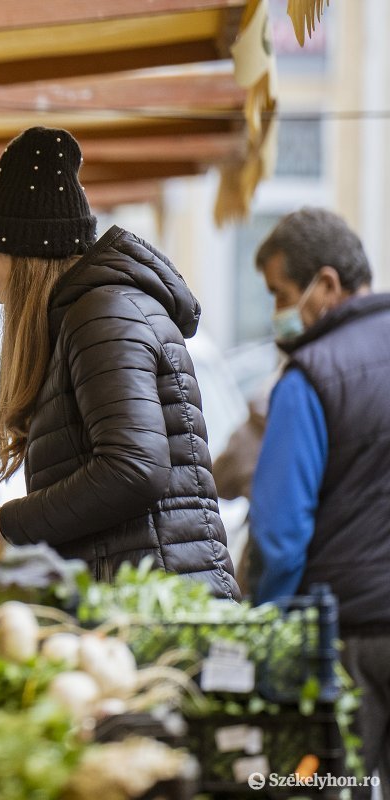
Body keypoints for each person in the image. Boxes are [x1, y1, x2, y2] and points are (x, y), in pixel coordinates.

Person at [0, 126, 238, 598]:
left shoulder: (102, 314)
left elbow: (134, 468)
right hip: (146, 595)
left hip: (158, 606)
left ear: (25, 254)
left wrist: (6, 526)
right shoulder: (88, 316)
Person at [249, 207, 390, 785]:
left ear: (326, 285)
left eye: (281, 294)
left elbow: (279, 536)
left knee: (339, 785)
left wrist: (268, 636)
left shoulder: (309, 377)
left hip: (348, 639)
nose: (279, 313)